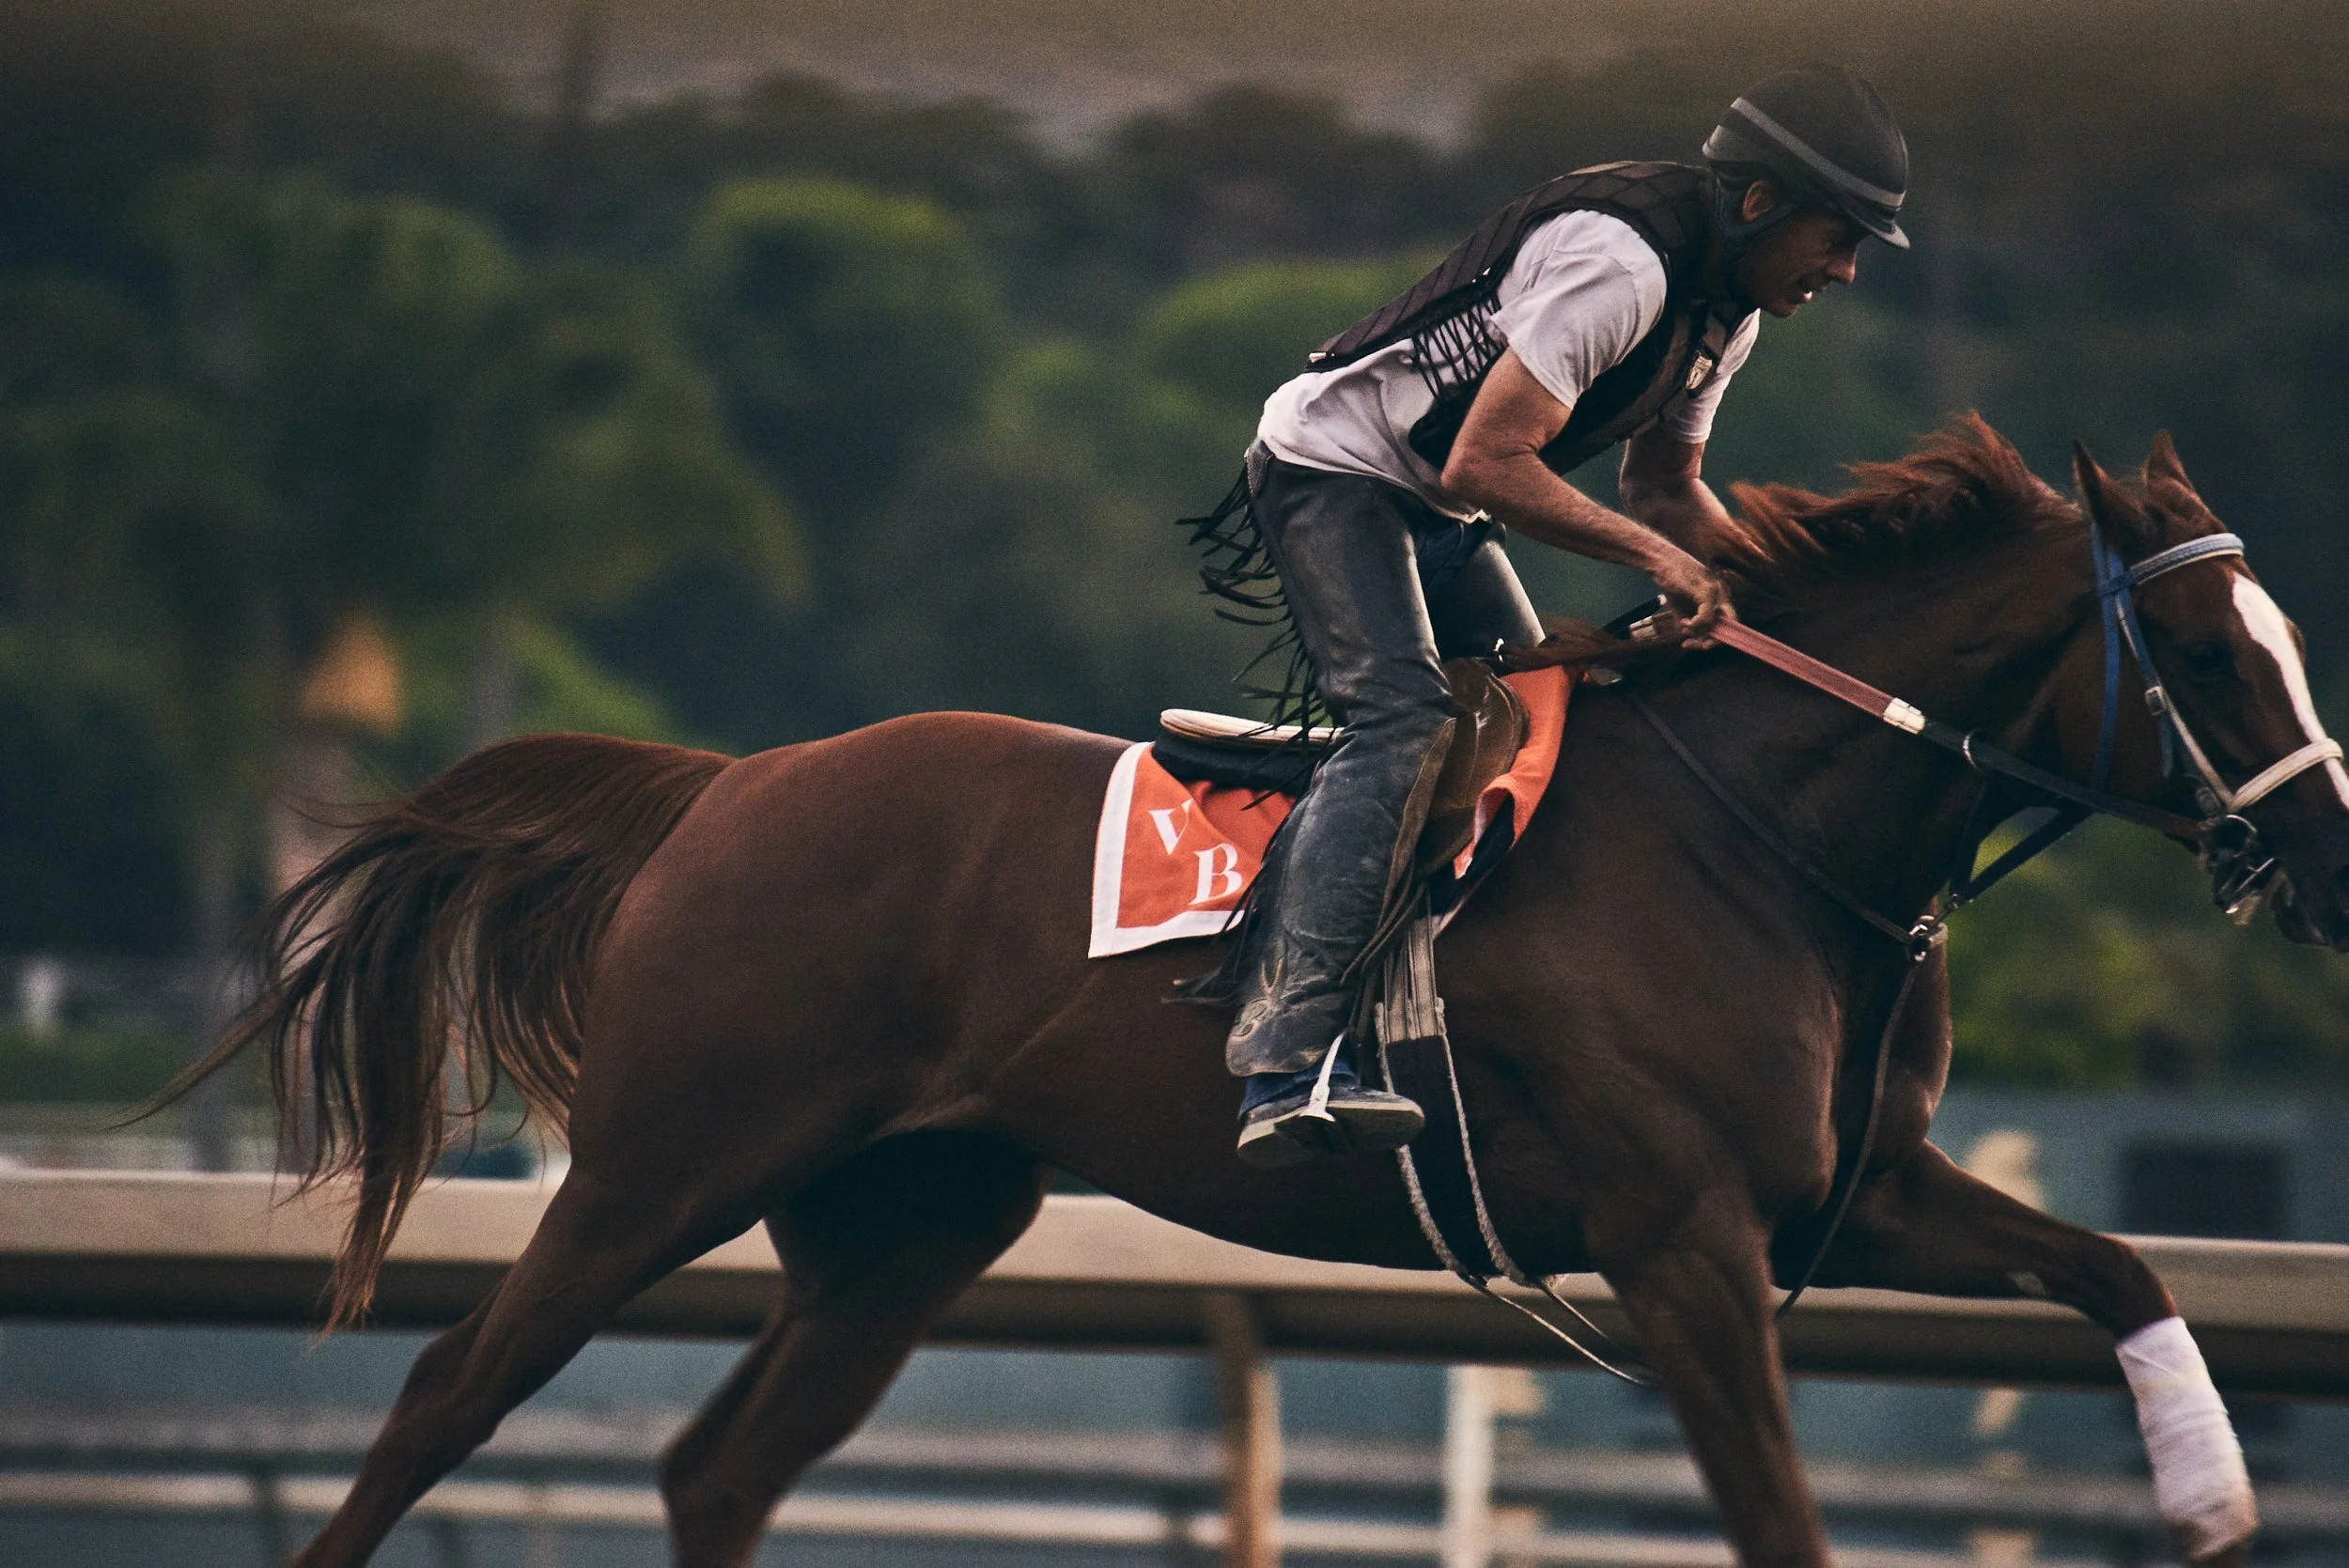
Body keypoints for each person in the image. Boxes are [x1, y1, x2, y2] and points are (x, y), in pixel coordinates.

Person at [1195, 64, 1913, 1169]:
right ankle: (1285, 1059)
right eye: (1837, 236)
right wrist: (1658, 560)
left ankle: (1445, 1003)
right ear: (1760, 204)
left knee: (1534, 731)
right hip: (1332, 472)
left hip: (1429, 495)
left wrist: (1782, 605)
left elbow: (1665, 490)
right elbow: (1493, 459)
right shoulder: (1617, 266)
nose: (1846, 269)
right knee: (1405, 723)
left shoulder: (1726, 313)